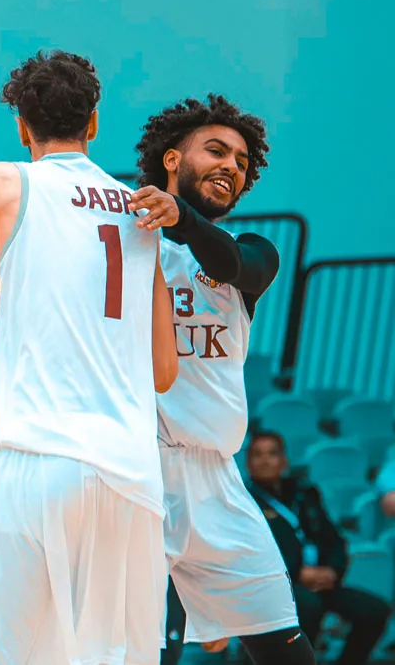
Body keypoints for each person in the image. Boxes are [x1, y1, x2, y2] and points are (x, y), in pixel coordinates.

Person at [0, 50, 179, 664]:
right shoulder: (142, 208)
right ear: (95, 122)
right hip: (132, 471)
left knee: (17, 653)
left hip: (41, 456)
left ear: (21, 125)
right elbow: (164, 372)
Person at [135, 95, 311, 663]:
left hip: (216, 478)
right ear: (170, 160)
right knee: (137, 647)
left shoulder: (251, 254)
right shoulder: (120, 243)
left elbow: (231, 263)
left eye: (240, 161)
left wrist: (182, 219)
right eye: (216, 150)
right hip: (135, 470)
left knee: (285, 645)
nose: (230, 165)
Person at [246, 431, 391, 664]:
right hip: (278, 587)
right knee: (309, 608)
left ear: (284, 461)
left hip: (322, 581)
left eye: (272, 454)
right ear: (248, 463)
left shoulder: (305, 495)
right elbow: (251, 553)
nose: (265, 460)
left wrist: (333, 571)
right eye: (257, 455)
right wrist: (297, 574)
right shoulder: (244, 501)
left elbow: (334, 540)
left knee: (375, 610)